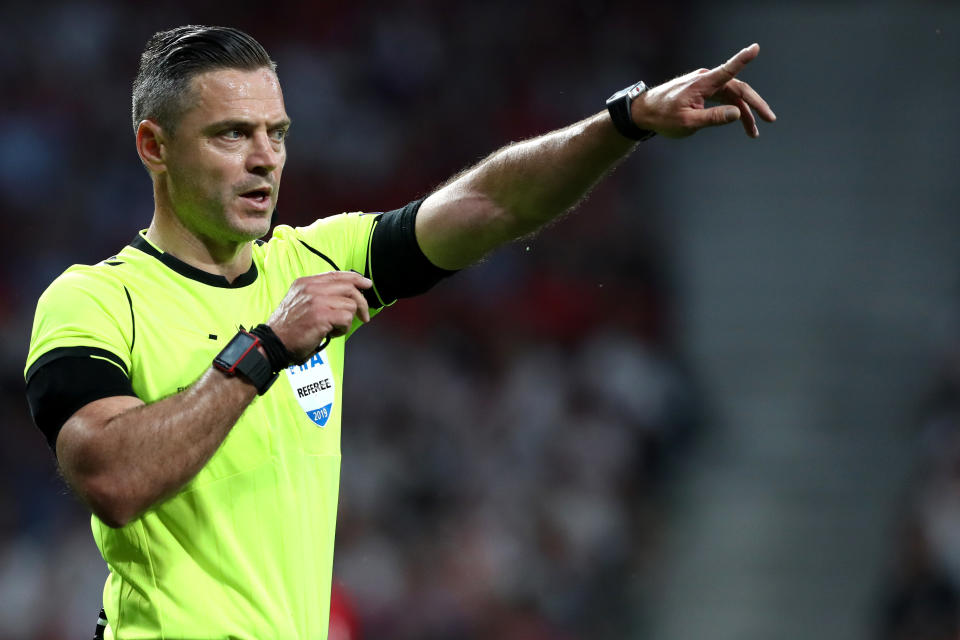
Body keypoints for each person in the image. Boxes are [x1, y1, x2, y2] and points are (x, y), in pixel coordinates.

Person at [23, 25, 774, 640]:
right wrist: (267, 347)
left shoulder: (318, 258)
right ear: (155, 147)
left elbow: (495, 203)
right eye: (231, 135)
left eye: (275, 133)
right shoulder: (97, 299)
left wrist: (624, 122)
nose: (264, 159)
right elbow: (111, 479)